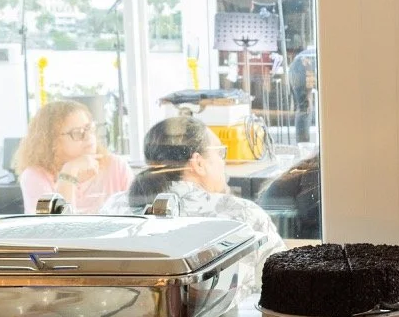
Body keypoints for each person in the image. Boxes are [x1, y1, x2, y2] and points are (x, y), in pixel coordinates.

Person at [102, 116, 284, 291]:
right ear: (198, 162)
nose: (223, 163)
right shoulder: (244, 214)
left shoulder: (112, 207)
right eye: (220, 153)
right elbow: (285, 283)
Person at [14, 99, 131, 214]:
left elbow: (140, 213)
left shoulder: (115, 166)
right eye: (77, 132)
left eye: (89, 128)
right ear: (51, 141)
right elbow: (56, 228)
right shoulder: (35, 176)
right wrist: (69, 173)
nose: (88, 136)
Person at [287, 45, 319, 143]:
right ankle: (303, 146)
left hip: (297, 66)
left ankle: (303, 146)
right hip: (303, 65)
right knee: (305, 107)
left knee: (303, 108)